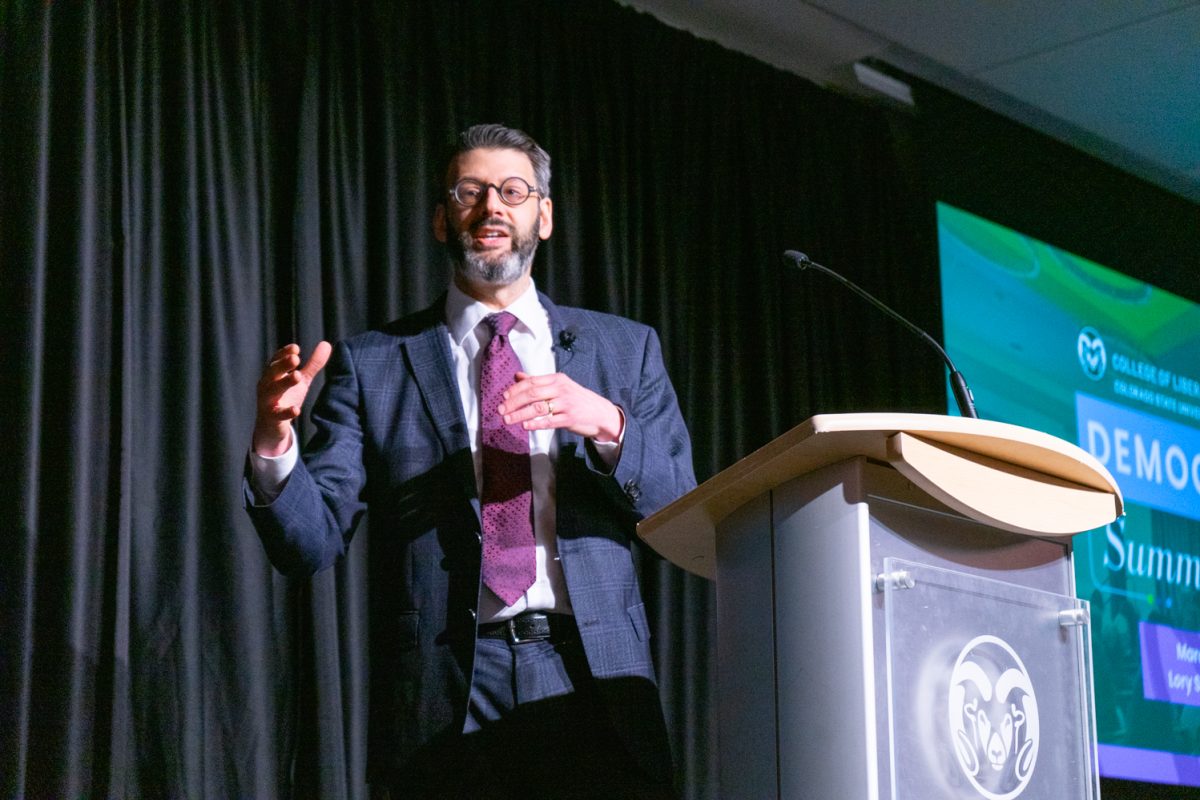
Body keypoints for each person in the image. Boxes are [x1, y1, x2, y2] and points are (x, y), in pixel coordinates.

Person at [244, 123, 696, 798]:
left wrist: (607, 424)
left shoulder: (623, 350)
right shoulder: (373, 364)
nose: (492, 208)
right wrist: (275, 440)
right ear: (440, 218)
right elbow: (309, 543)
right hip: (447, 692)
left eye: (514, 192)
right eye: (470, 191)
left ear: (543, 216)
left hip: (594, 681)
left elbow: (680, 514)